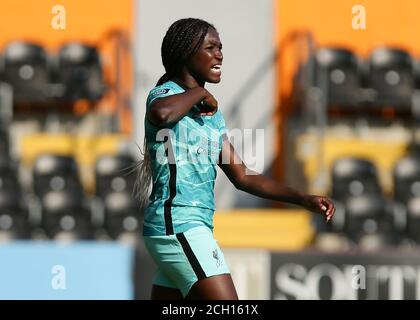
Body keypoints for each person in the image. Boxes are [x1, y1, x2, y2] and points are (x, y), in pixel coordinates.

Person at [136, 18, 335, 300]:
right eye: (210, 47)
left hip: (187, 227)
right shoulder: (165, 93)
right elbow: (161, 114)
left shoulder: (211, 116)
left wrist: (301, 198)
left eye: (221, 47)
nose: (220, 54)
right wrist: (201, 92)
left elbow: (242, 176)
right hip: (179, 225)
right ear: (186, 54)